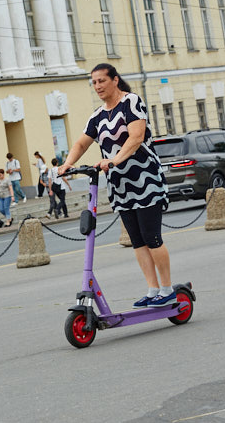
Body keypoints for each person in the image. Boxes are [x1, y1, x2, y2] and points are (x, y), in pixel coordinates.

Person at [57, 62, 174, 308]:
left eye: (102, 80)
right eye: (94, 82)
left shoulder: (131, 102)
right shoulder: (97, 116)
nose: (97, 86)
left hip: (145, 180)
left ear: (115, 80)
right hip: (120, 185)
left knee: (151, 237)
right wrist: (67, 164)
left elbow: (136, 136)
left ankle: (167, 288)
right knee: (137, 240)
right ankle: (153, 290)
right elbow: (81, 144)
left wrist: (115, 159)